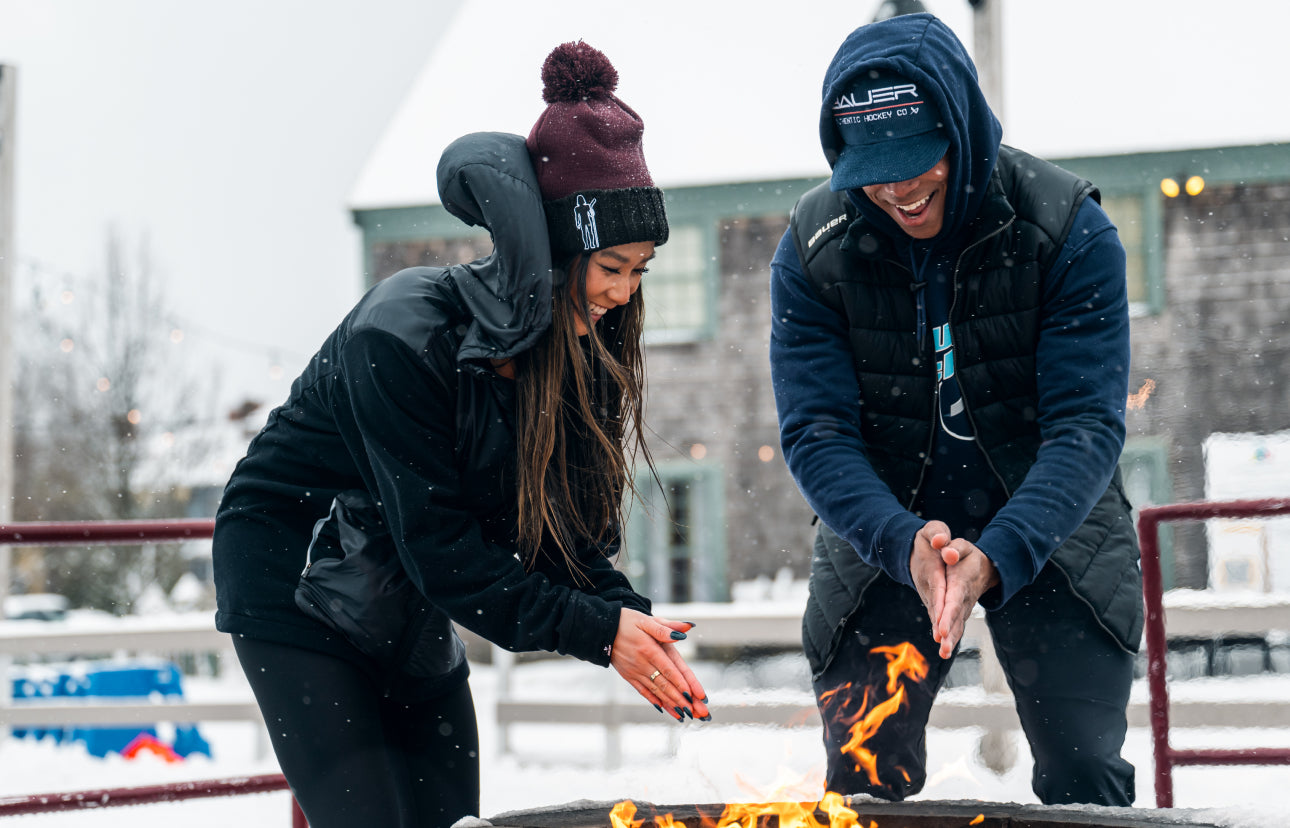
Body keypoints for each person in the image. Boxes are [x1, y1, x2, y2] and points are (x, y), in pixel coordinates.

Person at [212, 41, 710, 828]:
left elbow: (566, 539)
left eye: (640, 269)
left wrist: (623, 618)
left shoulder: (575, 354)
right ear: (550, 252)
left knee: (453, 822)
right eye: (610, 265)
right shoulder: (401, 333)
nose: (622, 292)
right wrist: (593, 631)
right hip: (297, 580)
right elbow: (441, 545)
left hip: (410, 588)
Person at [769, 13, 1141, 806]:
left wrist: (1003, 548)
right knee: (865, 780)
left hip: (1054, 525)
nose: (899, 188)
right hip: (883, 529)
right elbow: (816, 431)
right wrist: (899, 542)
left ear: (963, 127)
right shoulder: (814, 248)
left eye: (917, 161)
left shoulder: (1068, 226)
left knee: (1083, 777)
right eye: (874, 167)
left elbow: (1086, 427)